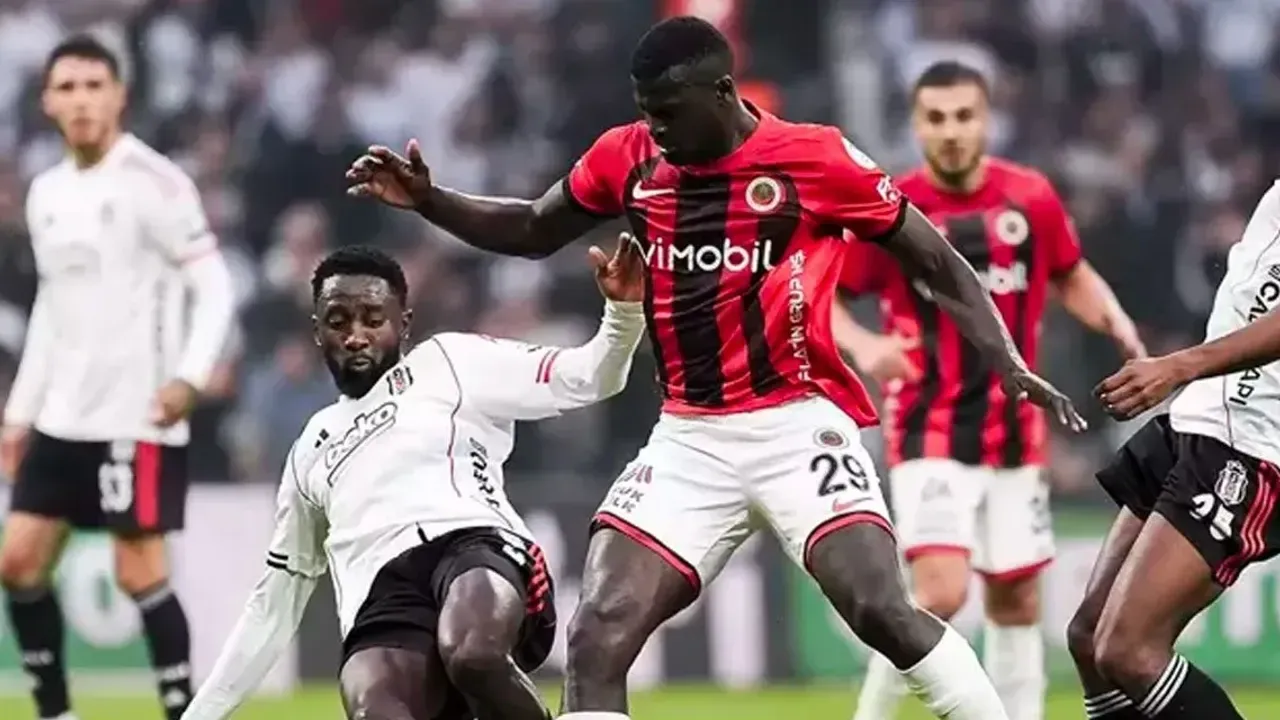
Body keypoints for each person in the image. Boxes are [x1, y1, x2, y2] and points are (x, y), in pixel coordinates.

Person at [346, 16, 1087, 720]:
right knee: (596, 633)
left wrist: (1006, 360)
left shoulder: (815, 158)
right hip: (690, 438)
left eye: (670, 112)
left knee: (880, 610)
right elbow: (536, 227)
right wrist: (431, 200)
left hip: (797, 424)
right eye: (647, 112)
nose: (658, 129)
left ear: (723, 93)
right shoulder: (628, 155)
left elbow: (936, 259)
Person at [181, 242, 646, 720]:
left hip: (473, 546)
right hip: (383, 603)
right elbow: (274, 602)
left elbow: (591, 377)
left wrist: (624, 314)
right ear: (318, 332)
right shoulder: (310, 448)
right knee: (375, 710)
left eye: (372, 319)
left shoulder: (449, 361)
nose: (355, 336)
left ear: (403, 323)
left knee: (472, 651)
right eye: (338, 321)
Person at [836, 61, 1145, 720]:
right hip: (928, 424)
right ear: (917, 125)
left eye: (964, 116)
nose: (951, 131)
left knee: (1017, 600)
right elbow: (826, 297)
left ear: (985, 120)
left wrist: (1117, 319)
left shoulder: (1029, 197)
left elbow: (1070, 273)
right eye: (936, 118)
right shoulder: (892, 207)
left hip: (1015, 431)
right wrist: (866, 347)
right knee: (939, 595)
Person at [0, 35, 235, 720]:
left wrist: (190, 377)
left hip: (138, 414)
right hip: (61, 416)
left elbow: (214, 285)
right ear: (48, 102)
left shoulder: (155, 183)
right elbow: (51, 309)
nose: (81, 100)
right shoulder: (46, 193)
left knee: (139, 573)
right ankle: (56, 713)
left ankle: (184, 712)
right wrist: (19, 413)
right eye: (67, 88)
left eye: (93, 86)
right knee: (17, 563)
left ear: (119, 96)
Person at [1062, 183, 1280, 719]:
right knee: (1089, 638)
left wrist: (1179, 366)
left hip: (1254, 442)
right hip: (1200, 418)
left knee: (1128, 650)